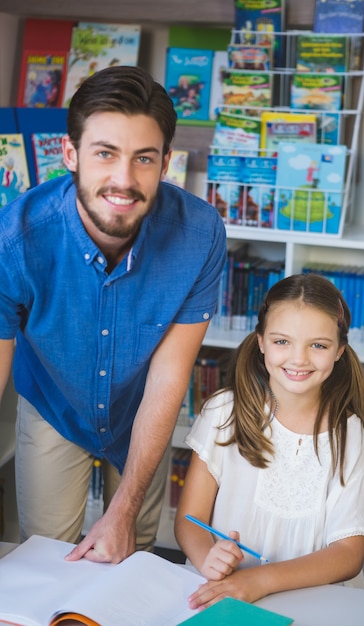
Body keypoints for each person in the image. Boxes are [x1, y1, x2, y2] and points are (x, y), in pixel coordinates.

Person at [0, 65, 226, 564]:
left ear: (166, 162)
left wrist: (122, 512)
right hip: (53, 404)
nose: (123, 180)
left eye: (143, 158)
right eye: (105, 154)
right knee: (47, 558)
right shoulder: (12, 240)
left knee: (133, 556)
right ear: (70, 154)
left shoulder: (200, 234)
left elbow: (169, 379)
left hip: (142, 409)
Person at [175, 273, 364, 609]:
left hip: (313, 601)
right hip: (224, 592)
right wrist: (207, 557)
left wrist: (258, 581)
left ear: (339, 351)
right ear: (260, 342)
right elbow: (190, 520)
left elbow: (348, 554)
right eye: (282, 341)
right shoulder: (224, 411)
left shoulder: (348, 433)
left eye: (318, 345)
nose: (298, 359)